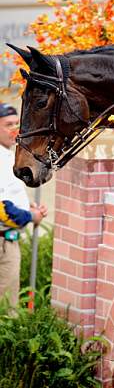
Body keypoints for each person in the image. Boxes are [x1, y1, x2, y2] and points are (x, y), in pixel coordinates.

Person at [0, 102, 47, 308]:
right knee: (6, 310)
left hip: (8, 241)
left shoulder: (9, 154)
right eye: (8, 124)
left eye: (17, 123)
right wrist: (31, 216)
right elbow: (2, 208)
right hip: (3, 244)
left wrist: (29, 206)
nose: (15, 130)